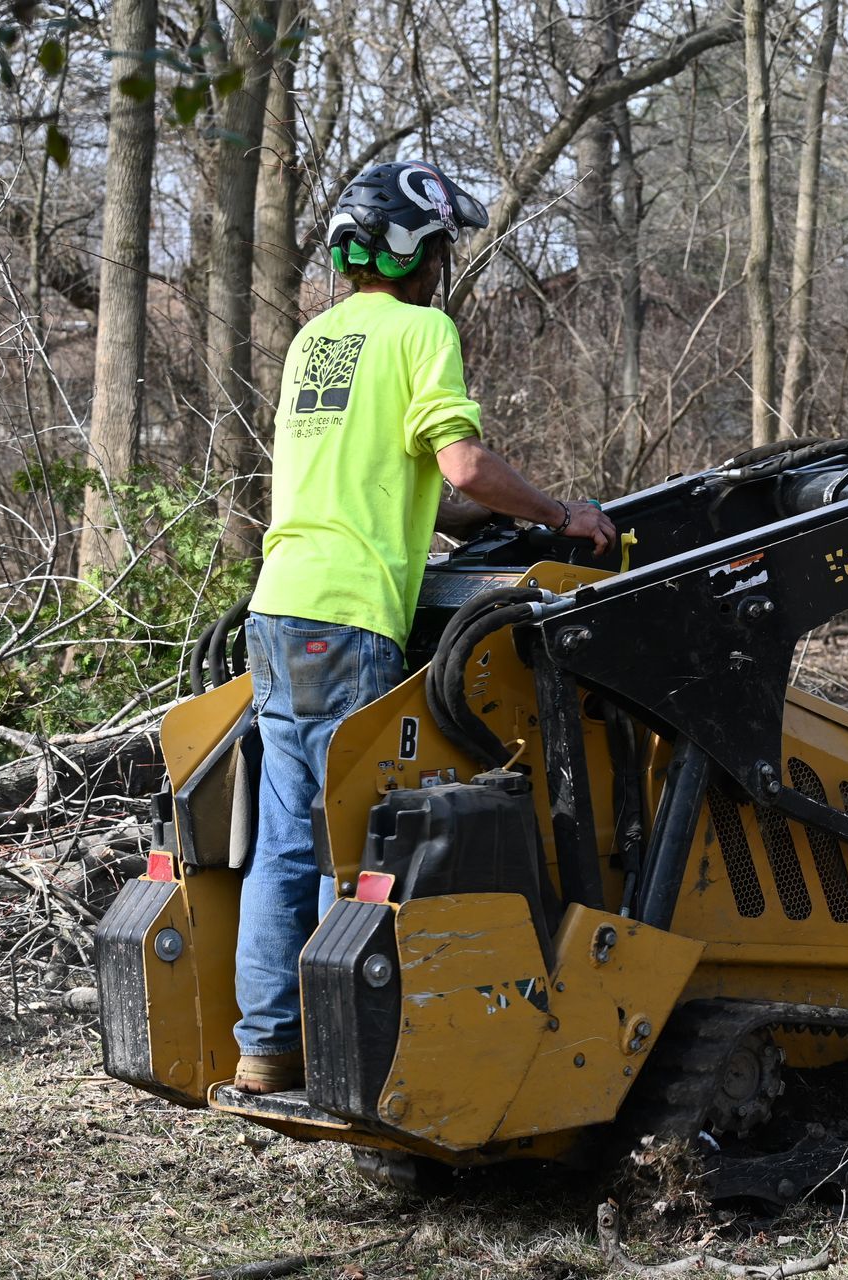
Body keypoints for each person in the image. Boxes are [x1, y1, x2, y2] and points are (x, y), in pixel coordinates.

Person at [232, 160, 615, 1094]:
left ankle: (267, 1044)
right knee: (353, 841)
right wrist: (562, 514)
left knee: (288, 837)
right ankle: (342, 1052)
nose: (444, 267)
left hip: (279, 605)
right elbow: (466, 464)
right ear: (412, 249)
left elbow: (394, 483)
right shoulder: (421, 330)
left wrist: (475, 517)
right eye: (440, 248)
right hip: (351, 615)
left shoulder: (316, 341)